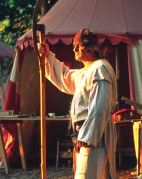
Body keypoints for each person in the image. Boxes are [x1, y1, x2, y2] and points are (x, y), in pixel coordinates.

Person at [39, 28, 117, 179]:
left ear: (89, 48)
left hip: (95, 137)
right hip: (87, 135)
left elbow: (100, 105)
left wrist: (88, 137)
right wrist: (47, 56)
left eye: (77, 46)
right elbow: (65, 77)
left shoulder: (100, 68)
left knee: (91, 175)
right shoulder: (89, 70)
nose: (74, 49)